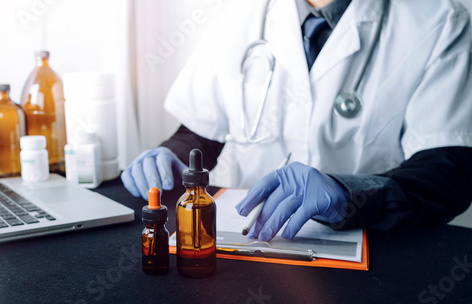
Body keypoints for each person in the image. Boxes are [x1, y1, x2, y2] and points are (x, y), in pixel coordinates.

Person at [123, 0, 472, 241]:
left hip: (373, 246)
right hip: (247, 238)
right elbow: (203, 129)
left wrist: (348, 193)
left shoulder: (440, 21)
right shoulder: (241, 12)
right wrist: (174, 154)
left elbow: (448, 173)